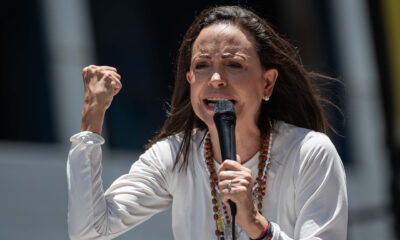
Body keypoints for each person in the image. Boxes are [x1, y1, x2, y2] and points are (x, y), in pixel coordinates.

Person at [67, 5, 347, 240]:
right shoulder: (174, 156)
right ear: (190, 80)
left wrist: (255, 224)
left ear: (267, 83)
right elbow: (89, 230)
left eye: (234, 65)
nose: (215, 79)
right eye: (202, 66)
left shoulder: (309, 152)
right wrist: (92, 118)